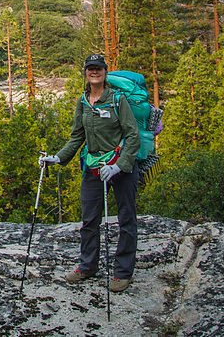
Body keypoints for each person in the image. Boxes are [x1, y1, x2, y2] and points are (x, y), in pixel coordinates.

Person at [40, 53, 140, 292]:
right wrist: (58, 158)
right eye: (90, 68)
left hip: (121, 167)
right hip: (94, 167)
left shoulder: (117, 100)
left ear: (105, 72)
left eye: (99, 68)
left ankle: (122, 273)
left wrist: (118, 165)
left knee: (126, 219)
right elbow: (77, 137)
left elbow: (133, 136)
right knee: (89, 220)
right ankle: (87, 266)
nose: (94, 72)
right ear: (85, 72)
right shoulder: (83, 102)